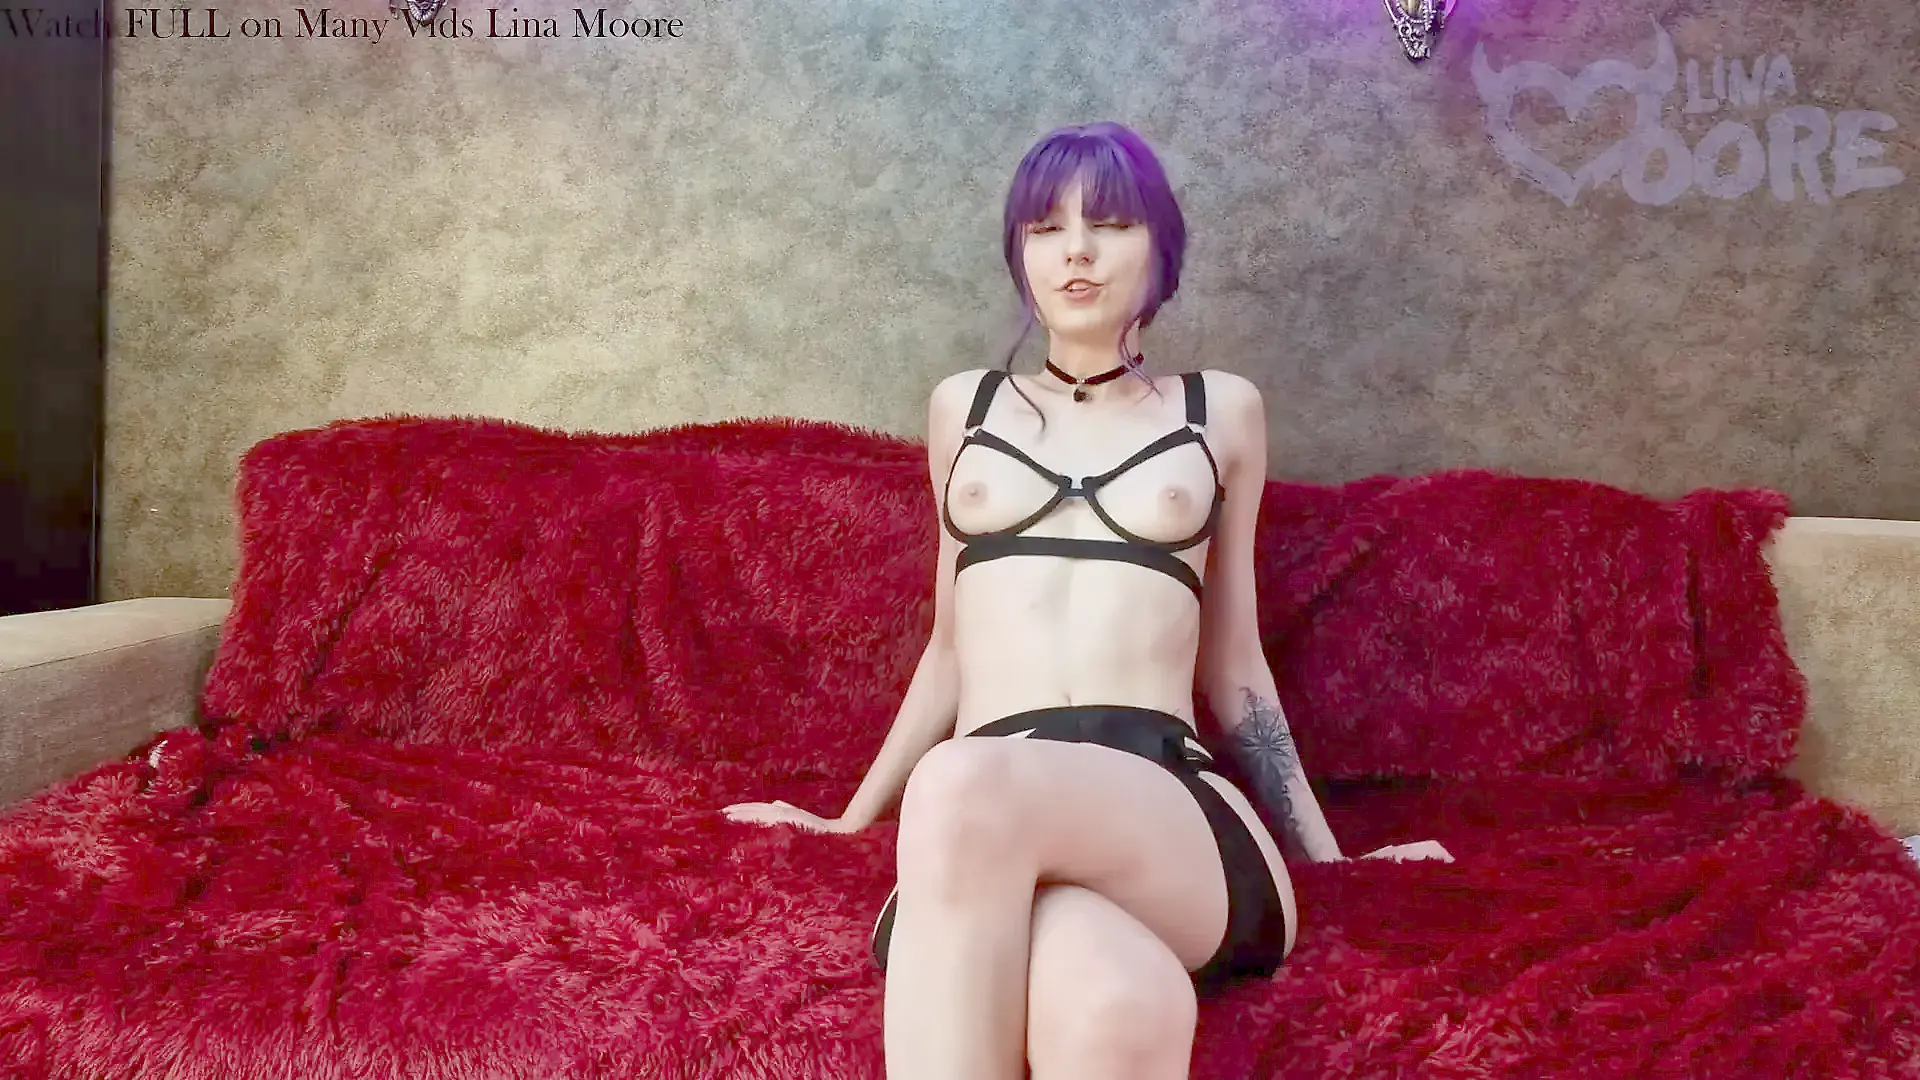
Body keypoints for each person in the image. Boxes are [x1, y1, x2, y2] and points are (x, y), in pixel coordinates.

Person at [724, 121, 1450, 1080]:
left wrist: (1332, 856)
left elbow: (1234, 666)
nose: (1076, 251)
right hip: (979, 828)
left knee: (964, 782)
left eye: (1109, 225)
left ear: (1161, 250)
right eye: (1045, 229)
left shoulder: (1219, 410)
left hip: (1164, 804)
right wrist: (847, 821)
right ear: (1019, 253)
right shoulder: (964, 409)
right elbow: (950, 651)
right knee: (1115, 1007)